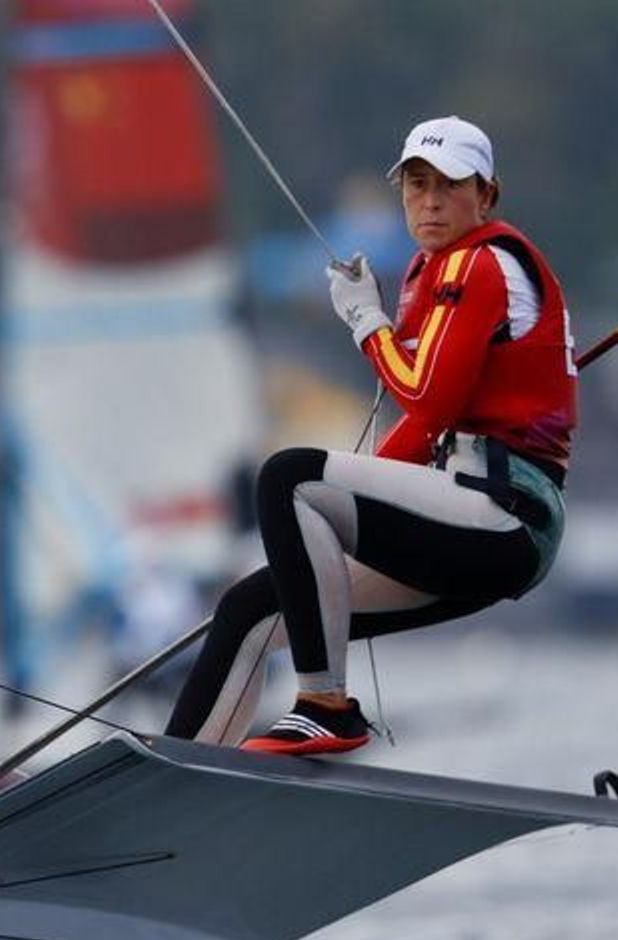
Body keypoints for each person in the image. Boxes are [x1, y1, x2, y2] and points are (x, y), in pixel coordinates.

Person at [164, 115, 575, 755]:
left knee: (288, 475)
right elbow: (425, 423)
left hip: (504, 517)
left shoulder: (480, 263)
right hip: (466, 511)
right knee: (253, 608)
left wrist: (364, 320)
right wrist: (351, 519)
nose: (430, 202)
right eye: (416, 185)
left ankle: (325, 704)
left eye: (449, 185)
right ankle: (176, 783)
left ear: (487, 195)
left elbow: (427, 396)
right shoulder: (435, 271)